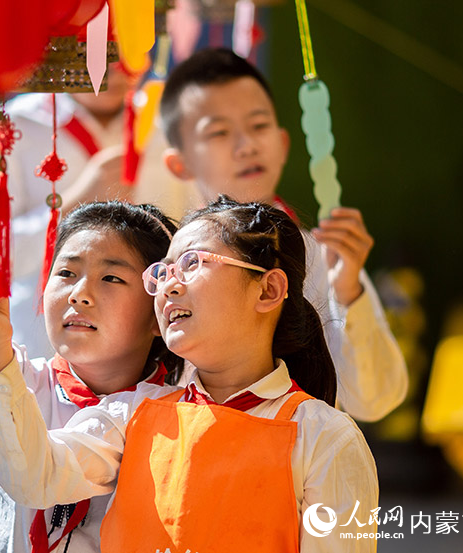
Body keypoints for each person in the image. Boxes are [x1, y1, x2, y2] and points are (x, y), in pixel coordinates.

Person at [0, 197, 379, 552]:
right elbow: (33, 477)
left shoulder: (324, 438)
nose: (168, 286)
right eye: (162, 273)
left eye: (191, 263)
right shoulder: (133, 412)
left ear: (268, 290)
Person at [0, 176, 179, 553]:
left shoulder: (168, 413)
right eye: (66, 273)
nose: (80, 294)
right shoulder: (20, 375)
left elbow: (35, 477)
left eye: (110, 277)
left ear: (158, 314)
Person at [157, 47, 407, 421]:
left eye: (259, 126)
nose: (247, 146)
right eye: (219, 132)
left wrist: (348, 289)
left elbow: (375, 400)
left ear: (283, 143)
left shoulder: (323, 255)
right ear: (179, 163)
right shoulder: (164, 268)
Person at [5, 63, 202, 359]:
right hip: (45, 349)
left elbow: (197, 230)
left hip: (156, 345)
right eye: (101, 45)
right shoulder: (14, 125)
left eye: (126, 43)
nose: (117, 62)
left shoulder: (169, 123)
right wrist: (75, 202)